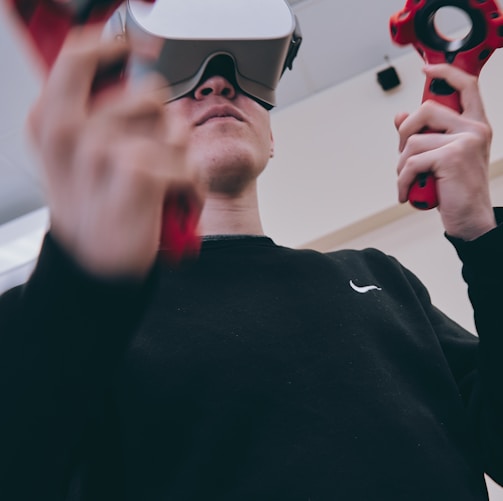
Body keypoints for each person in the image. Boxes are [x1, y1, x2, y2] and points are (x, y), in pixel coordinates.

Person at [0, 22, 502, 501]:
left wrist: (482, 233)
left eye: (244, 70)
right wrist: (77, 267)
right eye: (175, 71)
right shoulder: (65, 321)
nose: (217, 82)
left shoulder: (382, 280)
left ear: (271, 134)